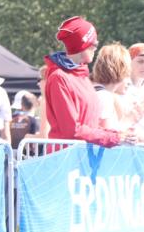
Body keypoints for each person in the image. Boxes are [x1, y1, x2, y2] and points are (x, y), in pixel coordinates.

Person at [44, 16, 129, 147]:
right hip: (65, 158)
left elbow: (91, 125)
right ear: (83, 45)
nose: (96, 48)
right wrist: (113, 138)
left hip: (82, 156)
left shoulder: (83, 76)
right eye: (94, 44)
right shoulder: (59, 78)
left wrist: (119, 135)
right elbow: (72, 130)